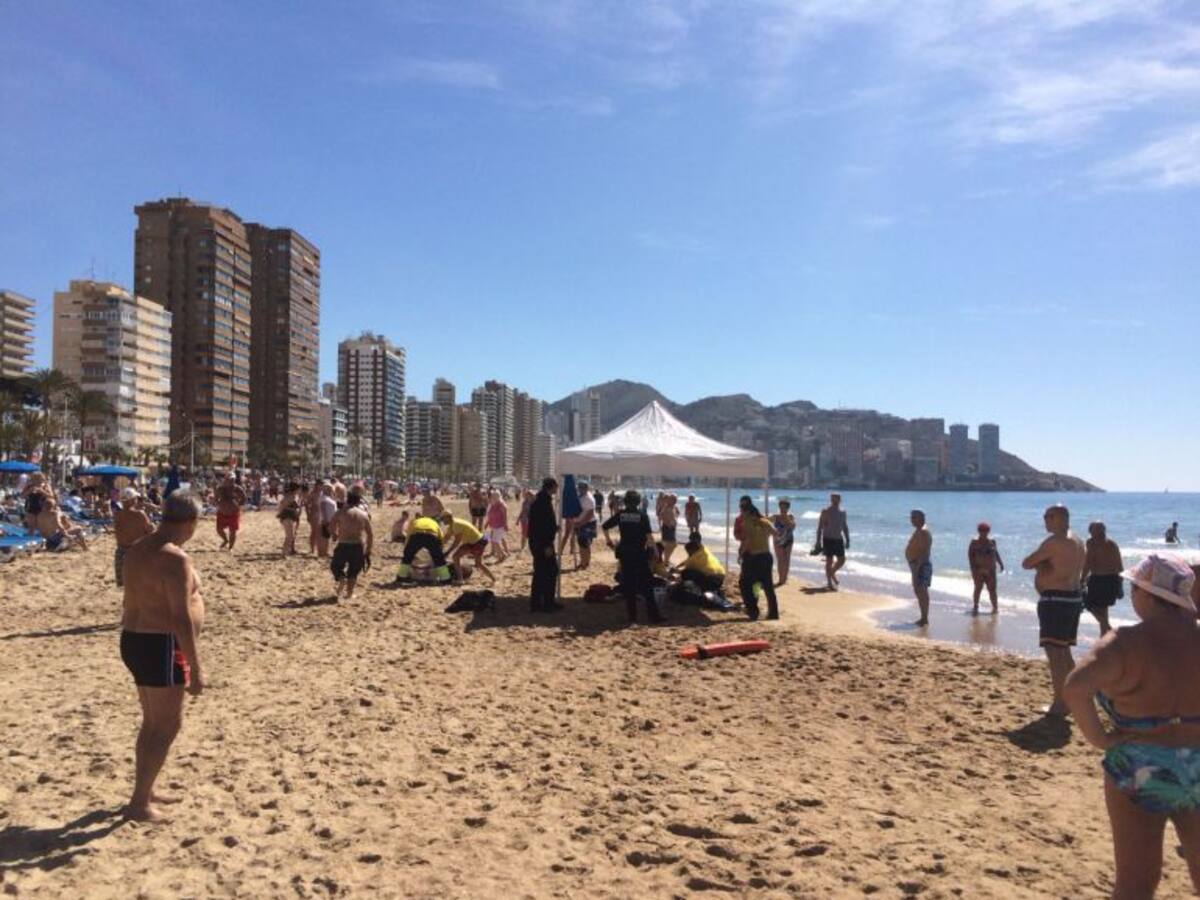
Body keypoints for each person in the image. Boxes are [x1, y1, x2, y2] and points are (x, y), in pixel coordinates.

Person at [1062, 554, 1200, 900]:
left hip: (1140, 764)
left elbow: (1075, 688)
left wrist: (1100, 738)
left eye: (1133, 587)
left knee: (1136, 884)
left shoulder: (1123, 642)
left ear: (1147, 593)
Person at [118, 490, 205, 821]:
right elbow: (181, 617)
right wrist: (196, 669)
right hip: (161, 644)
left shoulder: (138, 548)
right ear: (192, 523)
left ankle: (146, 789)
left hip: (135, 640)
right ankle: (139, 803)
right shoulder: (175, 559)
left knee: (152, 722)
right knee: (167, 724)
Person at [1022, 504, 1087, 717]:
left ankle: (1060, 703)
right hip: (1072, 599)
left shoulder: (1055, 542)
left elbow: (1027, 562)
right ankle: (1072, 698)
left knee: (1056, 654)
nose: (1045, 520)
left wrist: (1042, 566)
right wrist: (1044, 566)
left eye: (1049, 516)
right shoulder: (1078, 540)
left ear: (1061, 518)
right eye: (1045, 516)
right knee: (1065, 652)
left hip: (1056, 600)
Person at [602, 490, 662, 624]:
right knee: (647, 585)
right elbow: (649, 537)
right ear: (638, 502)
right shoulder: (642, 515)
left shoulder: (621, 514)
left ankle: (632, 617)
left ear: (626, 501)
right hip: (639, 553)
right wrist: (656, 552)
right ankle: (654, 616)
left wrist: (609, 542)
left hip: (625, 553)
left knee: (629, 585)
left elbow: (604, 526)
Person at [737, 496, 778, 621]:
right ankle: (773, 613)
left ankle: (753, 609)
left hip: (753, 557)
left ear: (746, 512)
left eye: (742, 511)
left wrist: (740, 553)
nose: (741, 514)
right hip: (766, 556)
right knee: (767, 585)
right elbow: (776, 533)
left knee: (745, 583)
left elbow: (747, 541)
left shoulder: (747, 522)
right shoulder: (764, 521)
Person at [330, 490, 373, 601]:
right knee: (354, 571)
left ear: (347, 500)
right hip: (358, 545)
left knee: (335, 566)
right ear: (358, 501)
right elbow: (370, 534)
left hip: (343, 544)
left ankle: (341, 578)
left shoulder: (340, 512)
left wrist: (334, 535)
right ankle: (349, 594)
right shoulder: (363, 515)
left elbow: (331, 525)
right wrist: (368, 549)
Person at [528, 477, 561, 613]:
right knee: (548, 571)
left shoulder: (540, 500)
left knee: (543, 572)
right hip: (543, 543)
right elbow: (542, 526)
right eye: (556, 487)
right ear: (551, 487)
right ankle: (545, 603)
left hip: (538, 541)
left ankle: (542, 602)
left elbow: (543, 523)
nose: (557, 490)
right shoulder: (543, 501)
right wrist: (547, 544)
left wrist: (554, 527)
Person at [114, 488, 154, 587]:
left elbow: (119, 535)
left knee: (125, 587)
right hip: (138, 552)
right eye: (135, 498)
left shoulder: (118, 515)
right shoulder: (140, 514)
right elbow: (151, 532)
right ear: (132, 500)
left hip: (121, 553)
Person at [441, 512, 495, 585]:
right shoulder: (452, 526)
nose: (442, 521)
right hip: (473, 542)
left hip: (477, 542)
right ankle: (493, 579)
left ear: (448, 517)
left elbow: (457, 541)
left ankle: (460, 579)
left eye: (442, 518)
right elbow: (446, 538)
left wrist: (448, 552)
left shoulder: (456, 524)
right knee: (476, 563)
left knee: (458, 557)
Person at [395, 515, 451, 583]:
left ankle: (401, 576)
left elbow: (409, 535)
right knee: (439, 559)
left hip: (416, 535)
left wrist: (407, 549)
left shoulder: (415, 521)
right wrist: (440, 550)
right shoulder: (434, 523)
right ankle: (445, 578)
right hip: (431, 536)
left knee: (407, 557)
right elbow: (441, 537)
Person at [968, 522, 1004, 616]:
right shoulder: (974, 542)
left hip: (991, 570)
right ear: (978, 531)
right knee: (978, 588)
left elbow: (996, 553)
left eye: (986, 530)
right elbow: (970, 556)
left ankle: (995, 608)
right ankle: (975, 606)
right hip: (978, 570)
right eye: (981, 530)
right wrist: (973, 569)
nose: (983, 532)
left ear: (988, 531)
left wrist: (1000, 563)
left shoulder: (992, 542)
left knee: (992, 590)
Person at [816, 493, 850, 590]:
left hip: (839, 539)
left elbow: (845, 526)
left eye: (836, 499)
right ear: (830, 500)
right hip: (828, 539)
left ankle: (831, 573)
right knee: (829, 561)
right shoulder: (826, 511)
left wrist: (847, 539)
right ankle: (829, 583)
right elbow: (820, 527)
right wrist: (818, 542)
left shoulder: (843, 512)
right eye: (832, 499)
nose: (834, 501)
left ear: (840, 500)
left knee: (842, 560)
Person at [905, 509, 933, 626]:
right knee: (918, 591)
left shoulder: (923, 531)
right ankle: (923, 617)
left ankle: (924, 618)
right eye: (911, 517)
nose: (912, 520)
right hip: (916, 564)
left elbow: (924, 552)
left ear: (921, 518)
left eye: (914, 517)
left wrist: (917, 568)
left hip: (920, 565)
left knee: (921, 591)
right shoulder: (919, 531)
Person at [214, 474, 245, 551]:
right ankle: (225, 540)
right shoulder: (220, 488)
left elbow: (244, 497)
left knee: (233, 531)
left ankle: (230, 547)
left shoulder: (237, 489)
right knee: (219, 529)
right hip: (222, 512)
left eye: (233, 480)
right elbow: (216, 499)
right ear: (225, 480)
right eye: (229, 480)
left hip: (233, 513)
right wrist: (220, 505)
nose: (231, 481)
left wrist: (238, 505)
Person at [772, 499, 796, 586]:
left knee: (786, 559)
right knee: (780, 559)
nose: (782, 509)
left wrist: (785, 517)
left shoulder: (790, 516)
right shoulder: (775, 517)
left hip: (788, 539)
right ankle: (780, 579)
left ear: (788, 508)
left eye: (784, 508)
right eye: (781, 507)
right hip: (778, 540)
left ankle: (785, 578)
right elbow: (766, 522)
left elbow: (793, 526)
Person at [574, 481, 597, 571]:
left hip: (587, 523)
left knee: (585, 544)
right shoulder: (582, 496)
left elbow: (590, 514)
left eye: (581, 487)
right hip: (584, 523)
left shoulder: (588, 498)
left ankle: (585, 563)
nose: (579, 489)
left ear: (586, 488)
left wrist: (580, 523)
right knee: (582, 544)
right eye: (579, 487)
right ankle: (584, 562)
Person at [276, 482, 302, 557]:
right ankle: (284, 552)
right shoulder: (289, 497)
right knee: (289, 536)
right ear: (296, 489)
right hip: (287, 517)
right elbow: (281, 507)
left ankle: (286, 551)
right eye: (298, 489)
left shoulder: (294, 496)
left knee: (291, 536)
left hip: (291, 517)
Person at [484, 490, 509, 562]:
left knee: (495, 541)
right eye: (492, 497)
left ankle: (503, 555)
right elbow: (490, 515)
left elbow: (505, 516)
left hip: (500, 525)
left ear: (498, 496)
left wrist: (505, 525)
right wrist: (487, 523)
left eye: (494, 496)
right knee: (493, 540)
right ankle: (501, 555)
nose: (492, 498)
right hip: (493, 525)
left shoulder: (502, 505)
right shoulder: (493, 504)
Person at [657, 492, 680, 564]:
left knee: (670, 544)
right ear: (669, 500)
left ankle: (666, 560)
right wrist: (667, 523)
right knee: (671, 544)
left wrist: (675, 519)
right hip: (667, 527)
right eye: (673, 499)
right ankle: (665, 560)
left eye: (676, 500)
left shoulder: (674, 507)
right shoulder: (666, 506)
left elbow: (678, 513)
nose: (675, 501)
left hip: (672, 527)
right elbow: (661, 516)